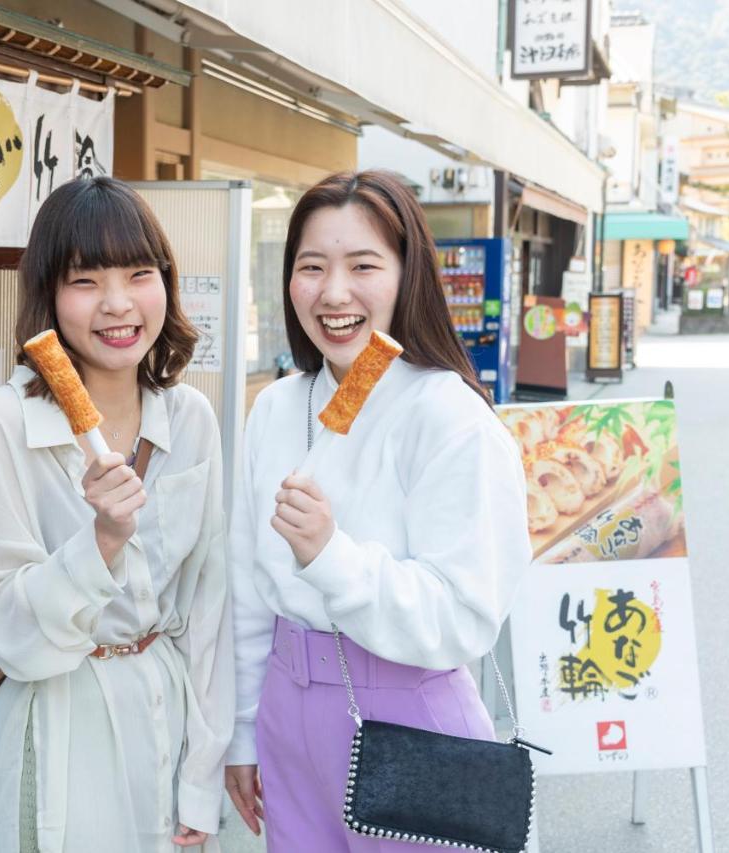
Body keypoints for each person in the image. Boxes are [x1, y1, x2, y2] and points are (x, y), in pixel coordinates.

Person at [224, 170, 531, 851]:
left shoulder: (449, 417)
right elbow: (248, 593)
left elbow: (464, 613)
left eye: (363, 265)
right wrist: (244, 729)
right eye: (311, 267)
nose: (334, 293)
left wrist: (333, 557)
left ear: (407, 275)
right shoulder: (275, 407)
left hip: (409, 713)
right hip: (286, 704)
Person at [0, 177, 233, 853]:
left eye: (140, 274)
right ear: (47, 294)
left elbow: (210, 609)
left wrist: (203, 773)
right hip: (54, 723)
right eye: (85, 280)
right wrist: (101, 541)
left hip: (165, 714)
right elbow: (11, 629)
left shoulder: (190, 416)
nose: (117, 304)